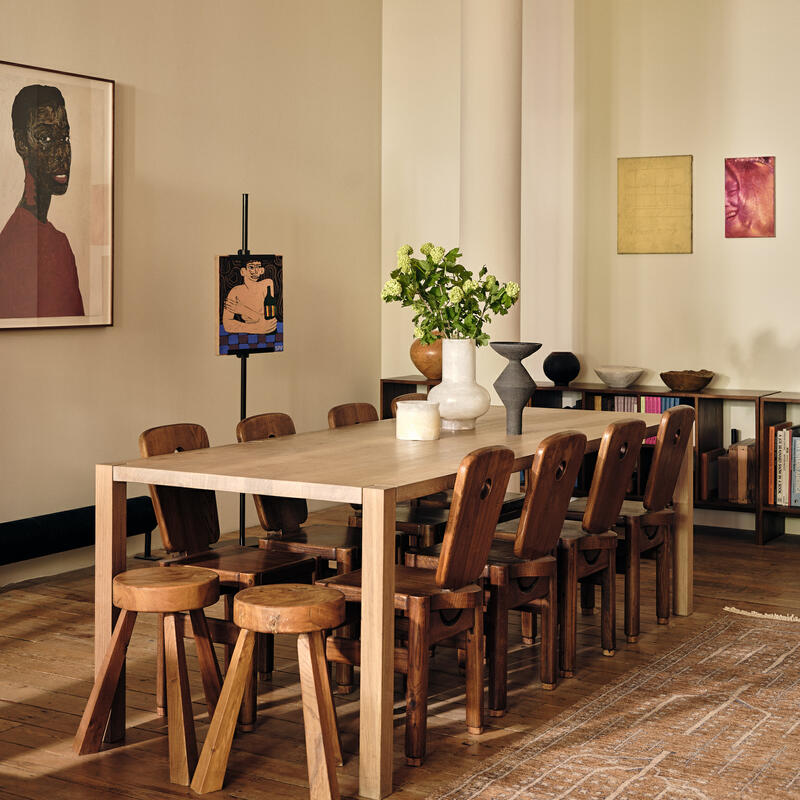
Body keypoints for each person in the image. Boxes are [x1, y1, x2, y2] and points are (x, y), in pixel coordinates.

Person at [0, 84, 84, 318]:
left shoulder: (60, 243)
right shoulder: (13, 247)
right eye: (45, 137)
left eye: (65, 136)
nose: (62, 153)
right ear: (21, 143)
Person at [222, 259, 277, 334]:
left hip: (267, 333)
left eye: (258, 267)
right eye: (251, 267)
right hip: (249, 333)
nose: (256, 271)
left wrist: (243, 310)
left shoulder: (267, 284)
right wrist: (258, 327)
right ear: (243, 271)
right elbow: (227, 325)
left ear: (262, 270)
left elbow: (269, 321)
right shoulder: (235, 291)